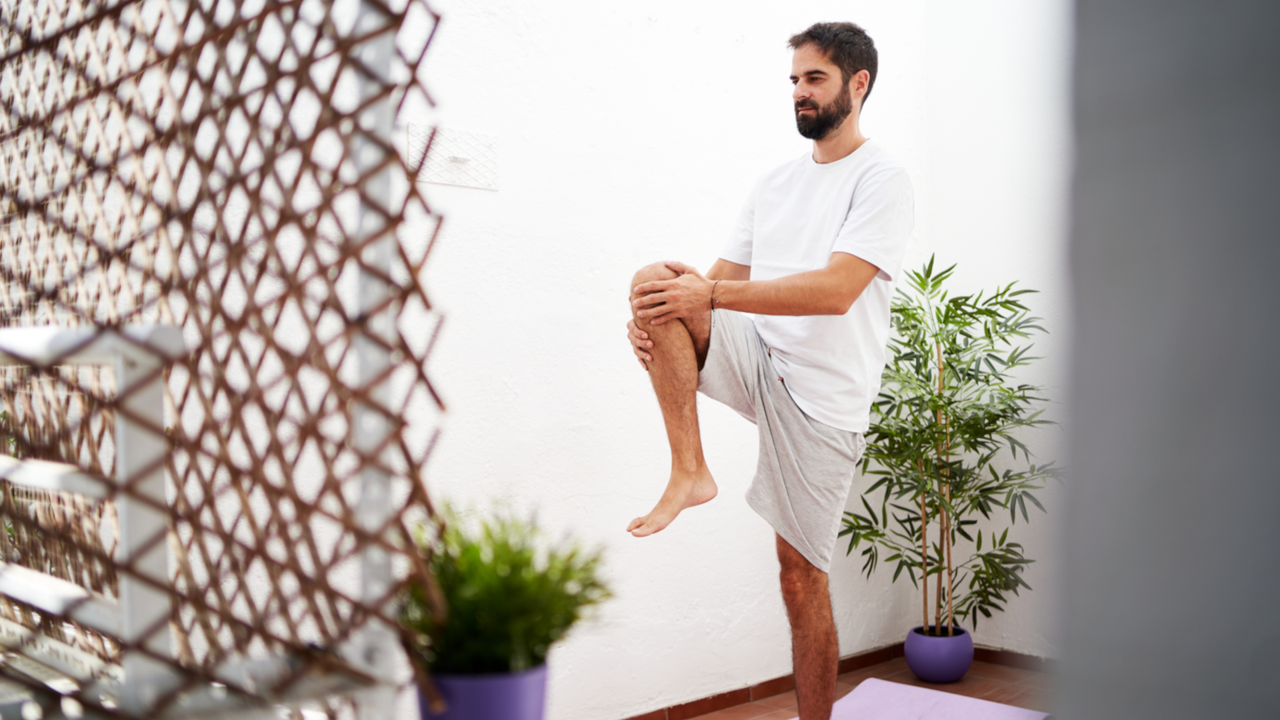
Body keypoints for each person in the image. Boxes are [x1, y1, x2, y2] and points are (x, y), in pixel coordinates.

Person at [624, 22, 914, 720]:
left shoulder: (883, 180)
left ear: (858, 84)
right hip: (761, 359)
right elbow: (712, 281)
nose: (800, 93)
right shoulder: (775, 184)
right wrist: (666, 323)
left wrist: (709, 298)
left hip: (824, 402)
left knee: (799, 577)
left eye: (814, 79)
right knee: (657, 280)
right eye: (794, 80)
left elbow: (836, 292)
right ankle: (690, 471)